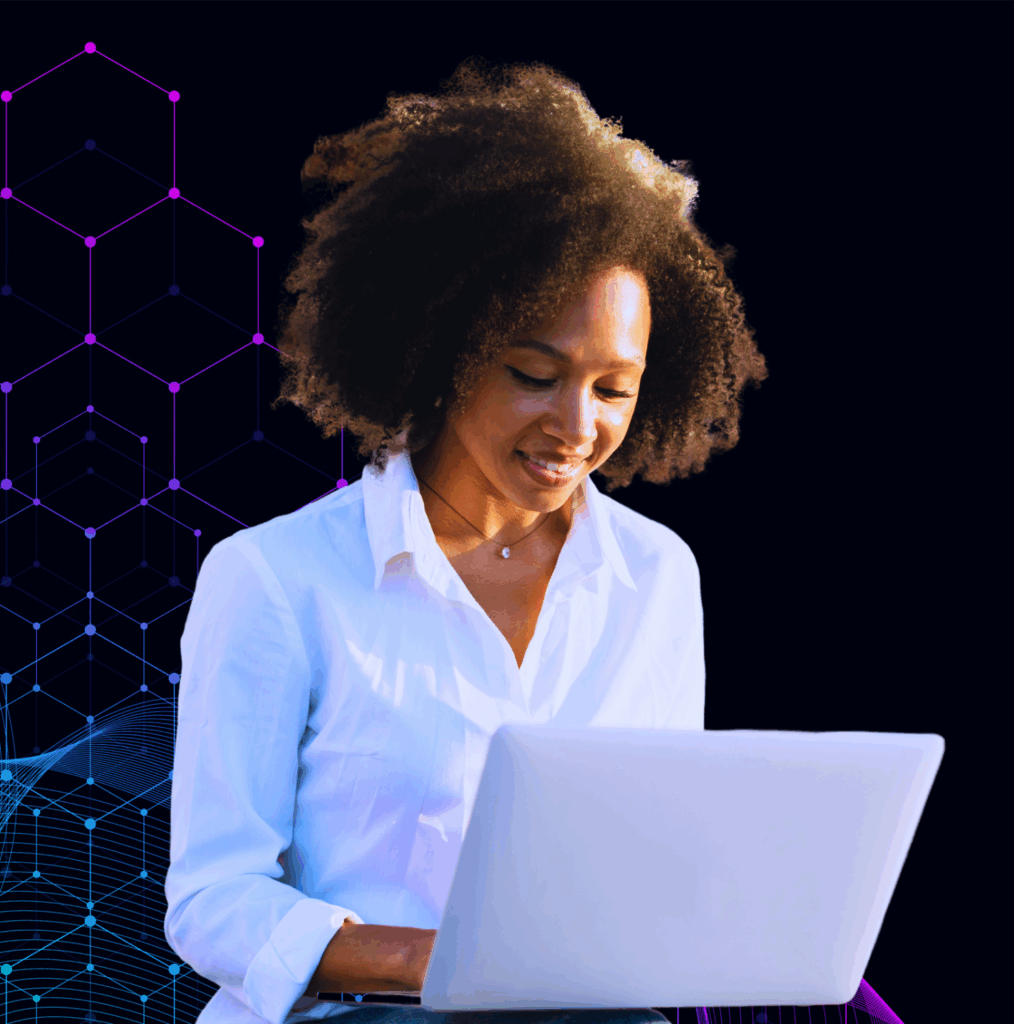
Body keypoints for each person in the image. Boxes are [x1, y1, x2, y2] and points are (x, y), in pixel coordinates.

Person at [164, 57, 767, 1024]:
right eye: (535, 372)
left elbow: (652, 859)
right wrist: (439, 961)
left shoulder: (655, 575)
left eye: (614, 389)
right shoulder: (275, 580)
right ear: (440, 353)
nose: (578, 426)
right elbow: (212, 903)